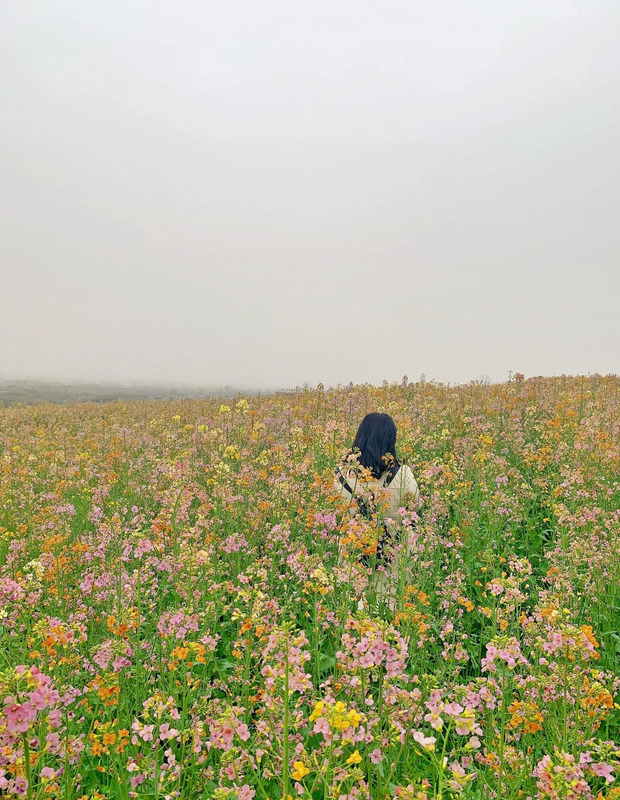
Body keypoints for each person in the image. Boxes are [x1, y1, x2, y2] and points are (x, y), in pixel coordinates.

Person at [333, 412, 420, 609]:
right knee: (388, 611)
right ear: (391, 440)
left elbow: (336, 514)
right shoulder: (403, 474)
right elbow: (415, 508)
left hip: (352, 555)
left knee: (353, 610)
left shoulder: (340, 475)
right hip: (393, 558)